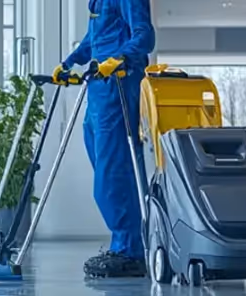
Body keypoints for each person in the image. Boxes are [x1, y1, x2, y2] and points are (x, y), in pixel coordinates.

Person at [52, 0, 155, 278]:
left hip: (118, 84)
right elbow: (93, 39)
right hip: (98, 87)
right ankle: (126, 243)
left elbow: (144, 36)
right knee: (103, 165)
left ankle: (129, 250)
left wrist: (121, 58)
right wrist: (70, 61)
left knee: (113, 175)